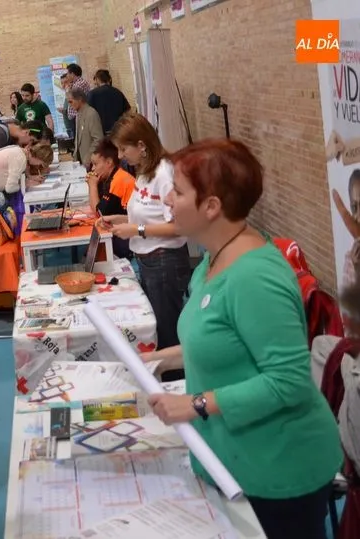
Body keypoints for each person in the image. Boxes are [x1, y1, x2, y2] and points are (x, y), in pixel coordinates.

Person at [144, 139, 341, 539]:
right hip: (233, 458)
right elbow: (220, 340)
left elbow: (287, 380)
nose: (167, 198)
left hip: (279, 469)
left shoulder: (255, 277)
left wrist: (195, 404)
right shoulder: (213, 259)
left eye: (179, 191)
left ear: (212, 206)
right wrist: (158, 359)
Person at [102, 112, 191, 349]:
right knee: (157, 328)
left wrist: (136, 230)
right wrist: (120, 220)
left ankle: (176, 382)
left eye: (123, 150)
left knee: (167, 332)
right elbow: (147, 213)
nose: (120, 156)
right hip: (148, 261)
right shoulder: (143, 172)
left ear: (141, 145)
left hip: (164, 261)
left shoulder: (165, 174)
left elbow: (178, 227)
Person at [86, 138, 136, 259]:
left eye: (96, 164)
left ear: (108, 162)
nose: (92, 168)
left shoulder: (119, 180)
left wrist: (92, 185)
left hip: (129, 236)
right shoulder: (112, 177)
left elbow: (99, 213)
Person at [0, 141, 53, 205]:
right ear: (39, 158)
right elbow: (10, 188)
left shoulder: (18, 150)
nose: (38, 166)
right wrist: (26, 184)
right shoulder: (20, 159)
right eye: (41, 164)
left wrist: (30, 177)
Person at [68, 87, 104, 168]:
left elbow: (98, 139)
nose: (69, 105)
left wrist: (89, 157)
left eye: (70, 101)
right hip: (81, 163)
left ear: (79, 99)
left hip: (91, 162)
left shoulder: (91, 114)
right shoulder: (78, 114)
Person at [88, 69, 131, 135]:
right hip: (117, 131)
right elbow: (127, 110)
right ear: (109, 79)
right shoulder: (118, 92)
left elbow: (89, 114)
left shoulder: (92, 94)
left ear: (98, 79)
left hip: (100, 131)